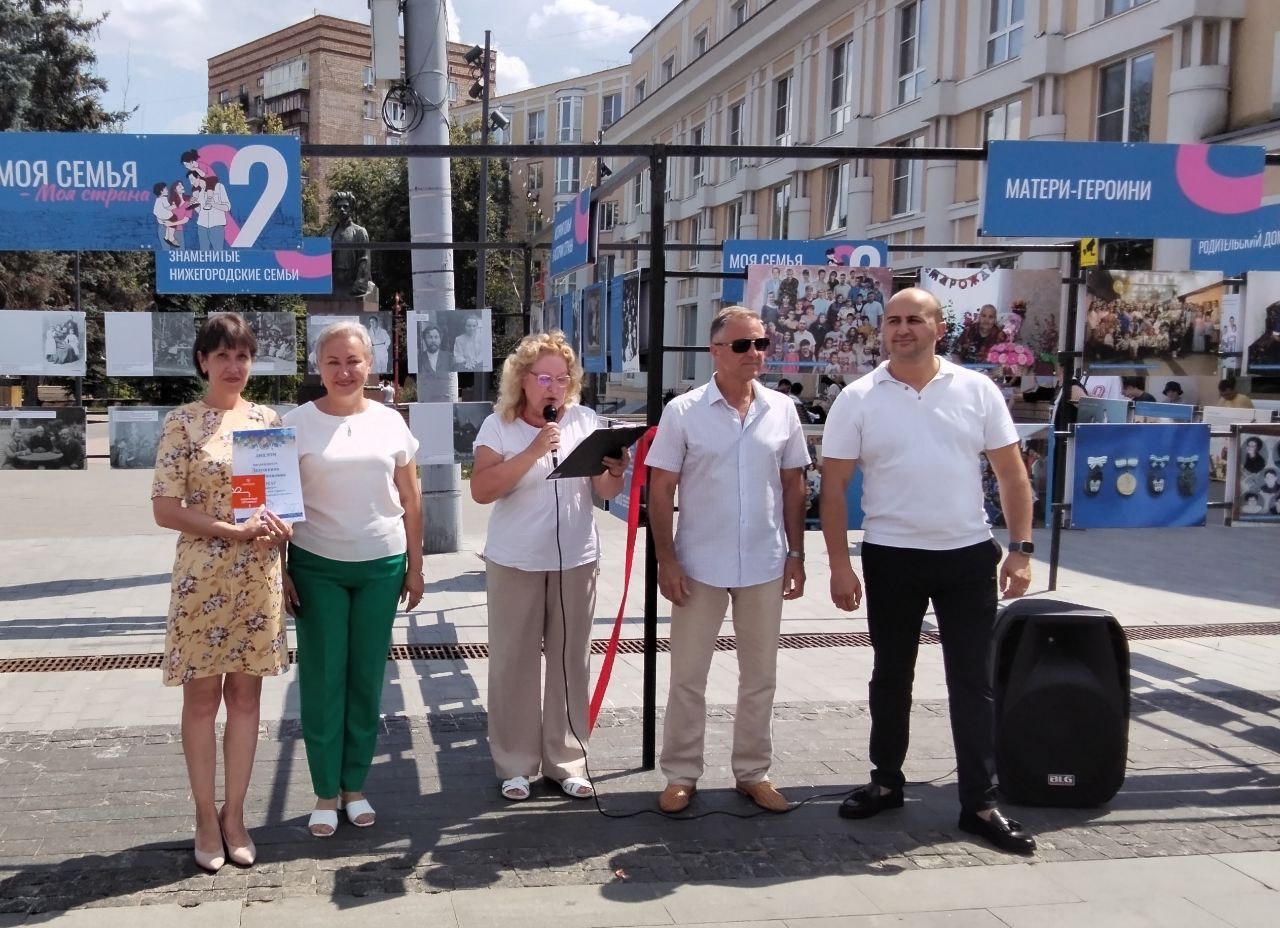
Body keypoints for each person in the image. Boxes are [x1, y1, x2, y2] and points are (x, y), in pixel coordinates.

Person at [819, 287, 1037, 855]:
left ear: (939, 327)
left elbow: (1012, 476)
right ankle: (886, 781)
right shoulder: (859, 397)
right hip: (891, 556)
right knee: (891, 676)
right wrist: (840, 565)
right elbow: (835, 489)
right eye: (892, 320)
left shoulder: (977, 390)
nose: (901, 329)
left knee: (973, 682)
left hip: (967, 555)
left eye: (915, 319)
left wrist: (1021, 548)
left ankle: (980, 802)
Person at [646, 307, 809, 814]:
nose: (755, 354)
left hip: (764, 561)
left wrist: (797, 553)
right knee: (688, 677)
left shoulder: (782, 409)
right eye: (742, 346)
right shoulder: (684, 411)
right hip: (699, 565)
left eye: (761, 344)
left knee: (760, 676)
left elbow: (793, 483)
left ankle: (753, 772)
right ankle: (680, 775)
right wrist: (666, 560)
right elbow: (661, 487)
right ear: (715, 351)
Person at [151, 312, 292, 872]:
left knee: (246, 700)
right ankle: (204, 816)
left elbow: (283, 500)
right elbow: (165, 508)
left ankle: (235, 815)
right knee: (202, 699)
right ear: (203, 361)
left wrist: (286, 527)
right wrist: (230, 530)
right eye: (222, 355)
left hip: (257, 580)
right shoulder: (183, 423)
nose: (233, 366)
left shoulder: (266, 419)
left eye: (242, 356)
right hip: (202, 578)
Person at [469, 331, 629, 801]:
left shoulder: (585, 420)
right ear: (522, 380)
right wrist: (535, 450)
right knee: (513, 664)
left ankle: (567, 761)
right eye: (544, 378)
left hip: (575, 561)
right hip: (515, 561)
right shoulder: (498, 426)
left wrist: (615, 470)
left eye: (563, 378)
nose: (554, 387)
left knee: (569, 663)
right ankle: (516, 764)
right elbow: (481, 490)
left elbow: (604, 493)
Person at [282, 322, 424, 837]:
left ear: (371, 365)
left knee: (367, 679)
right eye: (333, 362)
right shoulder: (293, 423)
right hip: (316, 565)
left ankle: (355, 788)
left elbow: (411, 499)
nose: (344, 371)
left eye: (354, 361)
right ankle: (324, 792)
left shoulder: (390, 423)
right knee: (323, 680)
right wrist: (280, 570)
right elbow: (277, 505)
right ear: (318, 368)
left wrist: (416, 565)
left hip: (381, 566)